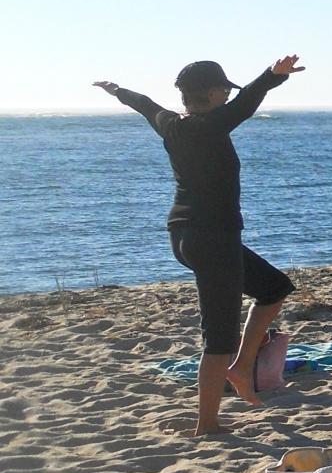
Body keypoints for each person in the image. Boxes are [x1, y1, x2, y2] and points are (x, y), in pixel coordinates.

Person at [94, 56, 306, 437]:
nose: (227, 96)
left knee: (274, 289)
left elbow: (144, 103)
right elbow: (248, 103)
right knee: (218, 337)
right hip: (213, 240)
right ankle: (207, 424)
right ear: (210, 94)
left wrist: (117, 91)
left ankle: (241, 369)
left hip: (185, 235)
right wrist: (272, 76)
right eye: (224, 90)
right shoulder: (210, 126)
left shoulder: (171, 125)